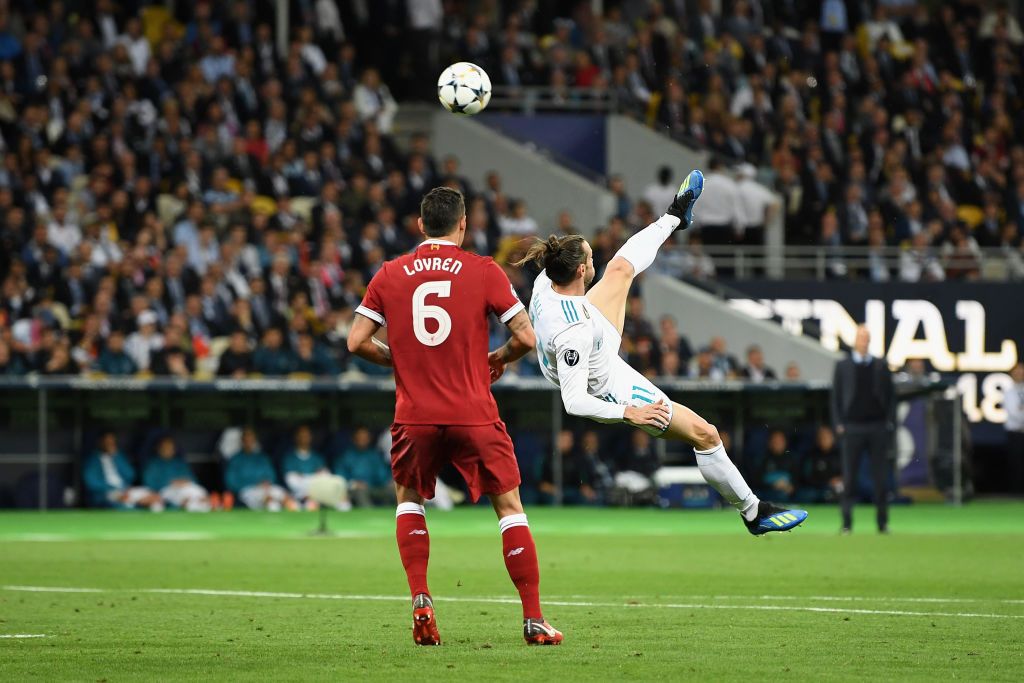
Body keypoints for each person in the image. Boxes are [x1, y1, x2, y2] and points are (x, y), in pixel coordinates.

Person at [513, 169, 807, 535]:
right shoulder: (574, 332)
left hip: (588, 335)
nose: (594, 261)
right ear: (580, 272)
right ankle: (754, 512)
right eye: (590, 258)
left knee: (620, 269)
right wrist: (629, 413)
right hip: (603, 383)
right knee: (706, 434)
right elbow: (574, 402)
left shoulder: (547, 280)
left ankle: (673, 216)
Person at [346, 187, 562, 645]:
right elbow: (526, 338)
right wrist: (495, 359)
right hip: (473, 411)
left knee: (409, 499)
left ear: (421, 226)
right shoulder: (483, 270)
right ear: (463, 224)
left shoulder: (389, 273)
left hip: (415, 415)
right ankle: (533, 618)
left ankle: (421, 599)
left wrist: (400, 359)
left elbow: (356, 341)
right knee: (508, 507)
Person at [831, 325, 895, 534]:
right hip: (852, 427)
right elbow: (836, 397)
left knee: (880, 478)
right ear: (855, 340)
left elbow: (890, 396)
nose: (863, 341)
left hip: (877, 427)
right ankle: (847, 523)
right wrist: (839, 423)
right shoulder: (843, 366)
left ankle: (882, 523)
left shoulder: (880, 365)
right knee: (849, 478)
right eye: (860, 338)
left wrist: (889, 422)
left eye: (866, 338)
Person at [83, 430, 163, 510]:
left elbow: (131, 475)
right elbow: (91, 482)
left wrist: (116, 456)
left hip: (125, 490)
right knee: (125, 503)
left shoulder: (119, 456)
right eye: (107, 441)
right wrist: (114, 490)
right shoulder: (92, 460)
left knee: (155, 499)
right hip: (106, 493)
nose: (109, 444)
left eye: (112, 441)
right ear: (100, 442)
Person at [224, 427, 297, 511]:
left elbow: (271, 475)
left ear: (254, 441)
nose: (248, 442)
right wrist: (254, 484)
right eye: (246, 440)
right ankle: (272, 506)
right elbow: (231, 482)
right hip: (247, 490)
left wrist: (266, 482)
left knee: (283, 495)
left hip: (266, 487)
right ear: (242, 441)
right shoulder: (235, 460)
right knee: (268, 500)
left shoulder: (262, 458)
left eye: (251, 439)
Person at [283, 425, 348, 509]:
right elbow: (291, 481)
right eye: (301, 436)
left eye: (307, 436)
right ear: (296, 437)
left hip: (318, 494)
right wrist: (314, 477)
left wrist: (304, 477)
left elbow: (325, 477)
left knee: (344, 505)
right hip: (297, 495)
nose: (304, 438)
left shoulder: (318, 458)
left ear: (311, 437)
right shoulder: (289, 458)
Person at [143, 436, 212, 512]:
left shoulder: (179, 462)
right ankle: (190, 504)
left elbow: (193, 479)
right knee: (178, 494)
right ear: (159, 449)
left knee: (198, 490)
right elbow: (149, 482)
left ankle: (201, 503)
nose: (168, 450)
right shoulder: (154, 464)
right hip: (167, 489)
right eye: (165, 448)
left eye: (170, 448)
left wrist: (185, 481)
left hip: (185, 486)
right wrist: (170, 482)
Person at [334, 426, 393, 507]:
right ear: (354, 439)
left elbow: (383, 475)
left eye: (365, 438)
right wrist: (353, 483)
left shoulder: (374, 455)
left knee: (393, 491)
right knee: (361, 492)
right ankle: (370, 515)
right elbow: (340, 477)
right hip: (354, 489)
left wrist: (389, 482)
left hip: (374, 488)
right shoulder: (346, 456)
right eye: (360, 437)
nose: (362, 440)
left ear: (369, 439)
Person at [1004, 362, 1024, 494]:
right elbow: (1014, 413)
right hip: (1015, 434)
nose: (1019, 374)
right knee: (1017, 465)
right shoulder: (1009, 393)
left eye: (1021, 371)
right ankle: (1016, 493)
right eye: (1016, 372)